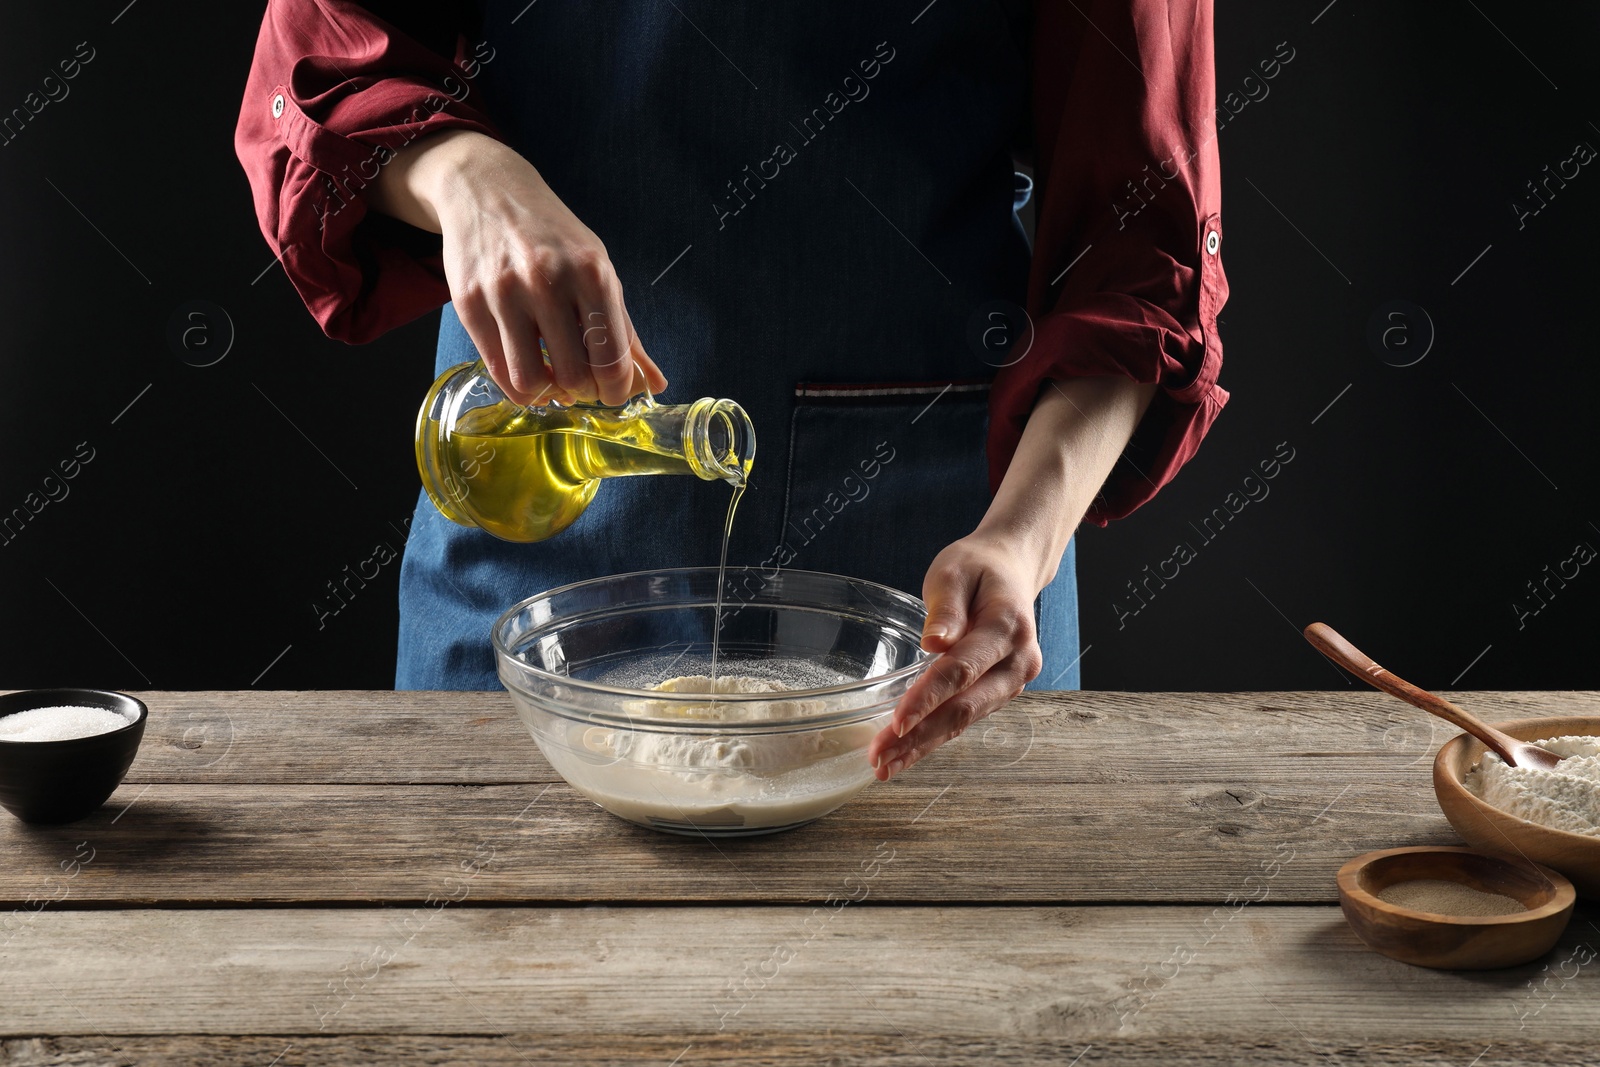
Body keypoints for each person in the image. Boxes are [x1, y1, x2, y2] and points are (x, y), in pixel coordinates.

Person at [235, 0, 1228, 782]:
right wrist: (464, 176)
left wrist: (1022, 539)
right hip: (522, 553)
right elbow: (323, 56)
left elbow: (1140, 260)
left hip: (930, 599)